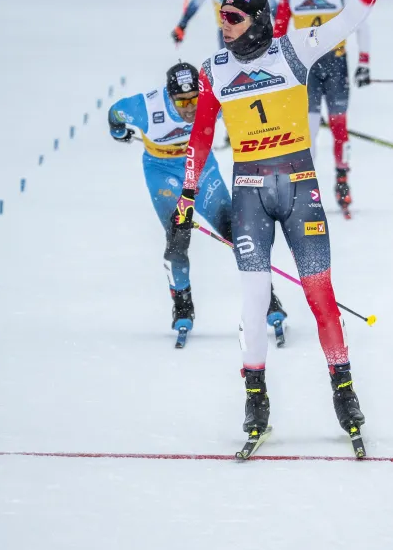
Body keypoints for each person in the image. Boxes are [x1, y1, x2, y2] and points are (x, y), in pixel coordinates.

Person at [172, 0, 393, 444]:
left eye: (232, 16)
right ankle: (256, 397)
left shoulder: (293, 48)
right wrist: (188, 194)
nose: (224, 23)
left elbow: (345, 21)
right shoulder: (214, 70)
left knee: (321, 296)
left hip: (300, 188)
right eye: (222, 16)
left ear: (253, 20)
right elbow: (202, 137)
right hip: (250, 193)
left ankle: (344, 390)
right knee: (254, 299)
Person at [107, 63, 288, 343]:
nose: (191, 108)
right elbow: (115, 113)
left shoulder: (212, 98)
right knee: (178, 238)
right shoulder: (145, 107)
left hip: (201, 167)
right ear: (170, 96)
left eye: (195, 100)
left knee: (236, 234)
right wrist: (118, 131)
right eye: (183, 102)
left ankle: (268, 300)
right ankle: (182, 306)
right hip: (162, 172)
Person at [273, 0, 371, 218]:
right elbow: (279, 31)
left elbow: (361, 23)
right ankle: (306, 190)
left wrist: (364, 61)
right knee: (309, 131)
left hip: (336, 65)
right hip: (308, 68)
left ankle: (342, 181)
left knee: (341, 128)